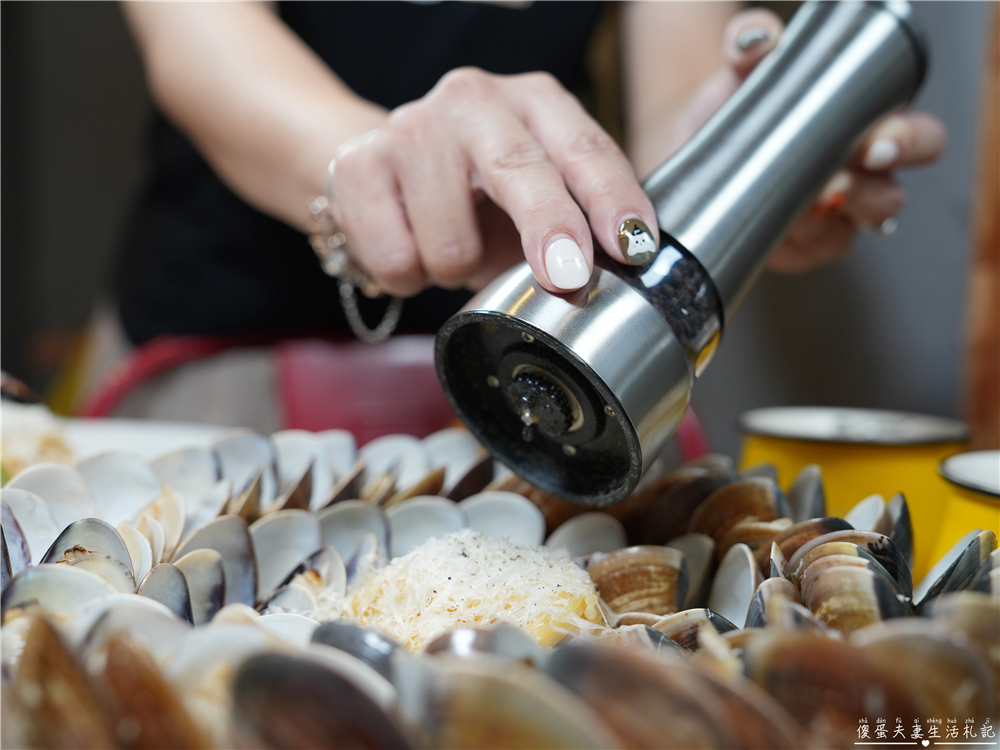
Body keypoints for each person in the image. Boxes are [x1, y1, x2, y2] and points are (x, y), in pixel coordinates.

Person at [105, 2, 945, 431]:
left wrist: (739, 178)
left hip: (536, 360)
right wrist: (383, 169)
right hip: (221, 353)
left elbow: (673, 105)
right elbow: (203, 55)